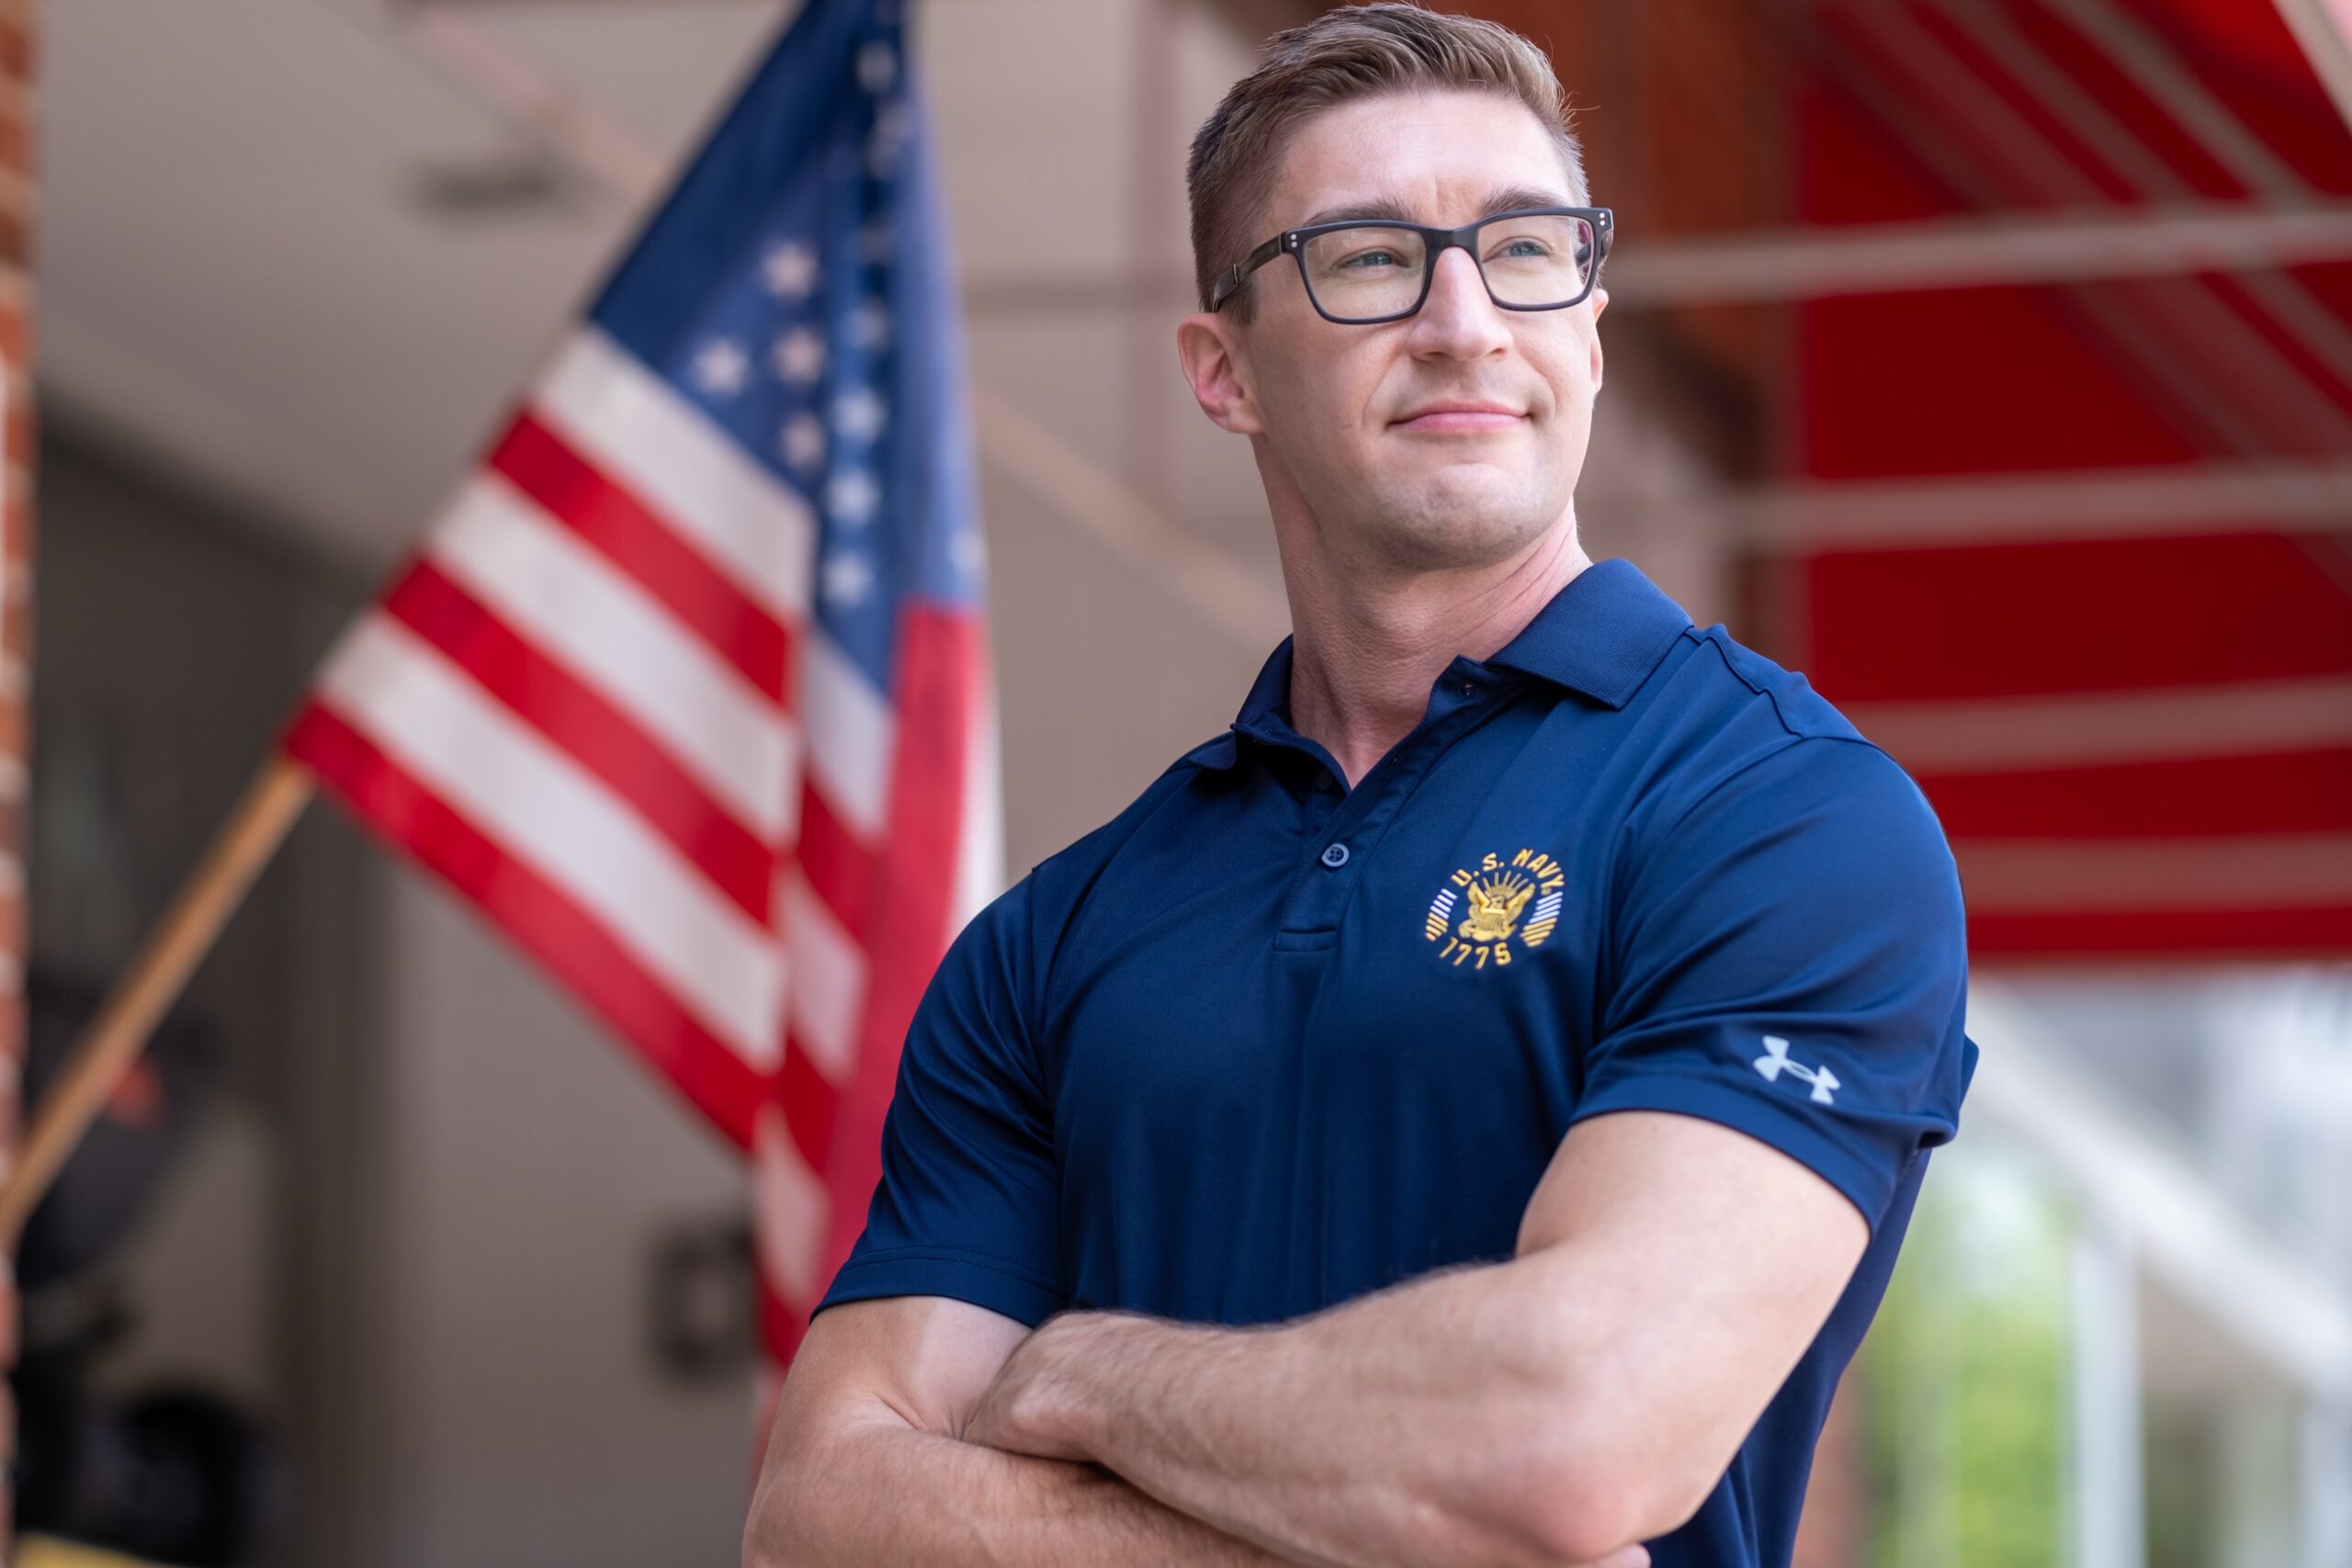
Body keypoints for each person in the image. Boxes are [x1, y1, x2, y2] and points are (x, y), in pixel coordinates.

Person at [744, 6, 1975, 1565]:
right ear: (1225, 369)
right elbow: (822, 1516)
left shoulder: (1782, 819)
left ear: (1590, 331)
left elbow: (1570, 1442)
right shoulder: (1052, 944)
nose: (1467, 320)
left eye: (1527, 250)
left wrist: (1085, 1376)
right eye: (1372, 257)